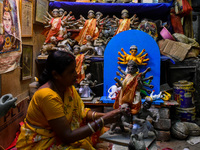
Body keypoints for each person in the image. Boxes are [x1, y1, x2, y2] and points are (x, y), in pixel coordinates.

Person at [16, 50, 121, 149]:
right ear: (56, 75)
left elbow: (80, 112)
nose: (76, 74)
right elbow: (67, 136)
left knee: (98, 130)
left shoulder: (67, 87)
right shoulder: (46, 96)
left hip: (62, 135)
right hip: (41, 142)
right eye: (71, 72)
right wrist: (104, 120)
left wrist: (106, 116)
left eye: (75, 69)